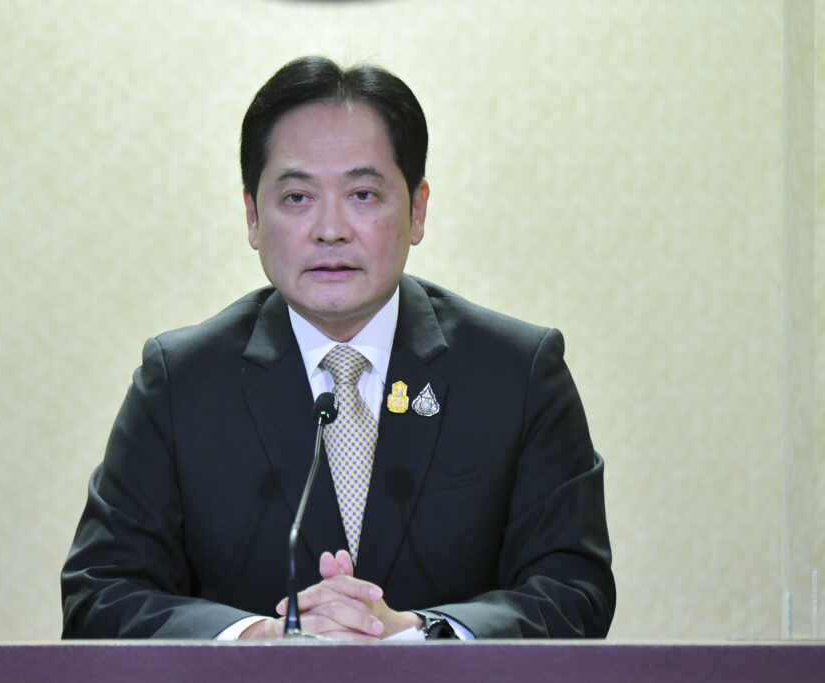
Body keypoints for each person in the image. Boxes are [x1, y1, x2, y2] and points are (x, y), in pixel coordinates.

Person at [61, 56, 615, 640]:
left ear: (417, 209)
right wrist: (256, 640)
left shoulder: (517, 374)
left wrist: (417, 636)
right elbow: (100, 594)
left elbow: (573, 590)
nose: (331, 229)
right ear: (252, 216)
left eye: (363, 194)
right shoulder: (181, 383)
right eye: (297, 197)